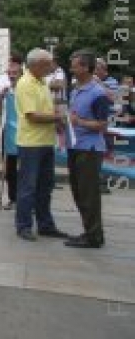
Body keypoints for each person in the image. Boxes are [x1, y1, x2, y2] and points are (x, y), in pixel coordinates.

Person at [14, 48, 69, 242]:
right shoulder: (26, 83)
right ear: (36, 64)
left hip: (46, 141)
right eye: (48, 64)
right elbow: (32, 115)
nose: (51, 67)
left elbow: (46, 108)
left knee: (46, 187)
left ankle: (46, 225)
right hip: (31, 143)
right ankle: (23, 226)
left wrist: (57, 119)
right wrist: (59, 117)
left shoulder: (42, 82)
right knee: (28, 187)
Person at [65, 50, 112, 248]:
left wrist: (79, 122)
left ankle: (94, 236)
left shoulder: (98, 93)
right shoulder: (75, 89)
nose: (71, 69)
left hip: (90, 149)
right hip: (75, 146)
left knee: (89, 194)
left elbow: (102, 125)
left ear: (85, 68)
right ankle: (89, 231)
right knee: (78, 192)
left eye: (75, 65)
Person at [0, 54, 23, 209]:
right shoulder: (5, 90)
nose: (11, 72)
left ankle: (25, 198)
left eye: (14, 68)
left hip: (24, 131)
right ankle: (13, 198)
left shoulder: (26, 87)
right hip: (8, 131)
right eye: (9, 70)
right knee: (9, 167)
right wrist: (0, 98)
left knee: (24, 167)